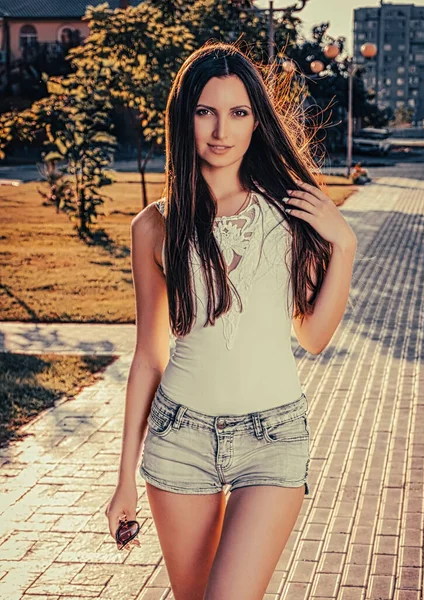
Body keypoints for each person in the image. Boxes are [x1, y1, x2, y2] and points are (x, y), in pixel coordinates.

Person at [105, 41, 357, 600]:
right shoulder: (154, 226)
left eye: (239, 112)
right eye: (205, 111)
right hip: (179, 440)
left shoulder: (291, 213)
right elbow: (150, 355)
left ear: (256, 120)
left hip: (272, 438)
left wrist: (345, 244)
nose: (222, 130)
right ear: (184, 118)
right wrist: (123, 477)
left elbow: (313, 337)